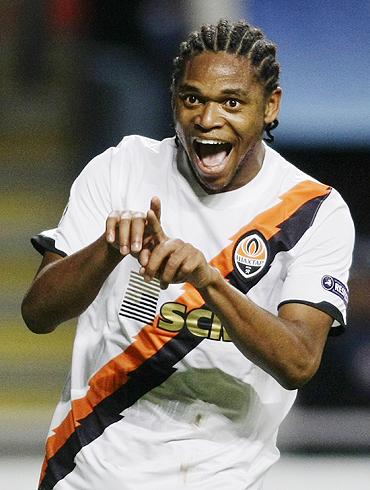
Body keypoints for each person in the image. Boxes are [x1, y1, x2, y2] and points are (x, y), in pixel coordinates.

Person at [22, 19, 354, 490]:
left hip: (220, 479)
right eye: (191, 97)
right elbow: (38, 313)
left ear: (270, 107)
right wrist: (108, 248)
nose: (206, 118)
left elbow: (298, 363)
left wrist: (209, 281)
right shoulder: (122, 167)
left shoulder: (314, 210)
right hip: (87, 476)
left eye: (232, 102)